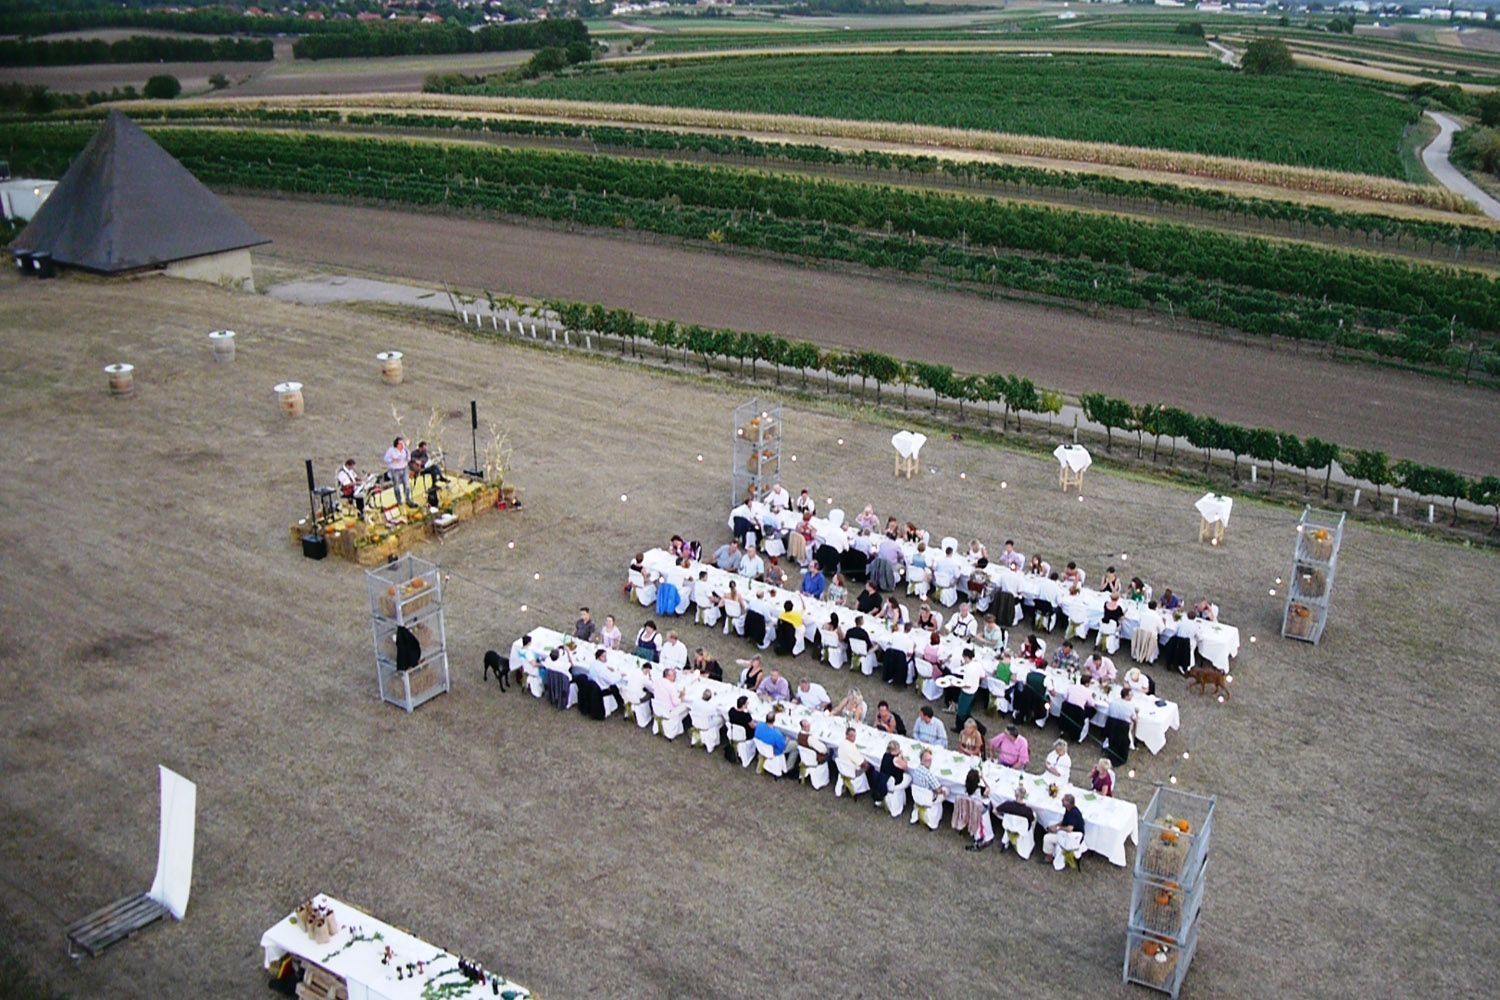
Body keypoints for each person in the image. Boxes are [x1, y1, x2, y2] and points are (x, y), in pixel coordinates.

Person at [1041, 794, 1087, 864]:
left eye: (1064, 800)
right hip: (1070, 834)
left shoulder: (1073, 813)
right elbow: (1065, 821)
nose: (1062, 800)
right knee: (1050, 824)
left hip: (1071, 838)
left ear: (1068, 803)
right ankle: (1053, 850)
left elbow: (1069, 829)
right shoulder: (1069, 809)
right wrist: (1055, 825)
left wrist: (1057, 828)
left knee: (1047, 838)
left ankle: (1049, 857)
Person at [961, 768, 995, 851]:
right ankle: (983, 839)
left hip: (970, 809)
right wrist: (983, 778)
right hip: (979, 811)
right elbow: (988, 789)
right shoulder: (978, 790)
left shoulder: (967, 789)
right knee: (989, 804)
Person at [872, 740, 909, 807]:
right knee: (909, 777)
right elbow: (905, 767)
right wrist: (902, 756)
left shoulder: (885, 755)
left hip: (884, 777)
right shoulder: (896, 759)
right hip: (894, 780)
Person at [383, 436, 411, 507]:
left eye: (403, 443)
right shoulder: (391, 450)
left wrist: (407, 457)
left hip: (404, 468)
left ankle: (408, 498)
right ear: (397, 444)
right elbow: (386, 459)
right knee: (397, 486)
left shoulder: (405, 450)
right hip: (395, 470)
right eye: (400, 444)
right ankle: (399, 500)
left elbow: (408, 458)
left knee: (407, 484)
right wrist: (392, 460)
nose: (402, 445)